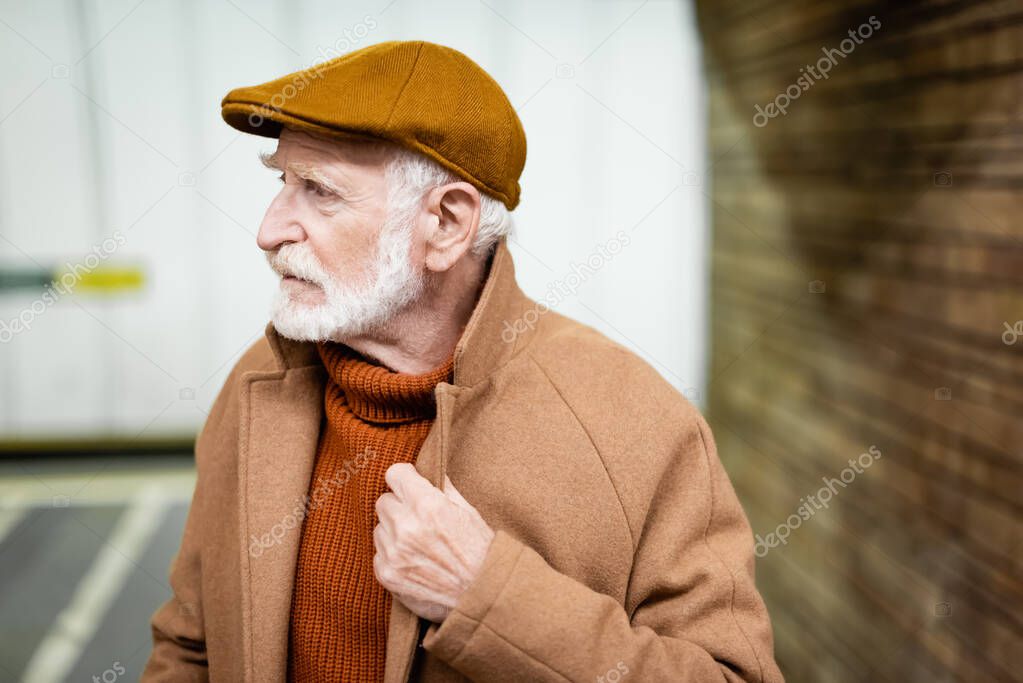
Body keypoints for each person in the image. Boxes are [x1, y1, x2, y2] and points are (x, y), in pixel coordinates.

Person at [142, 39, 784, 683]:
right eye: (284, 182)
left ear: (446, 223)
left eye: (320, 191)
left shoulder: (635, 423)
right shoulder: (258, 383)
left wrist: (487, 597)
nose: (269, 229)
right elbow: (188, 647)